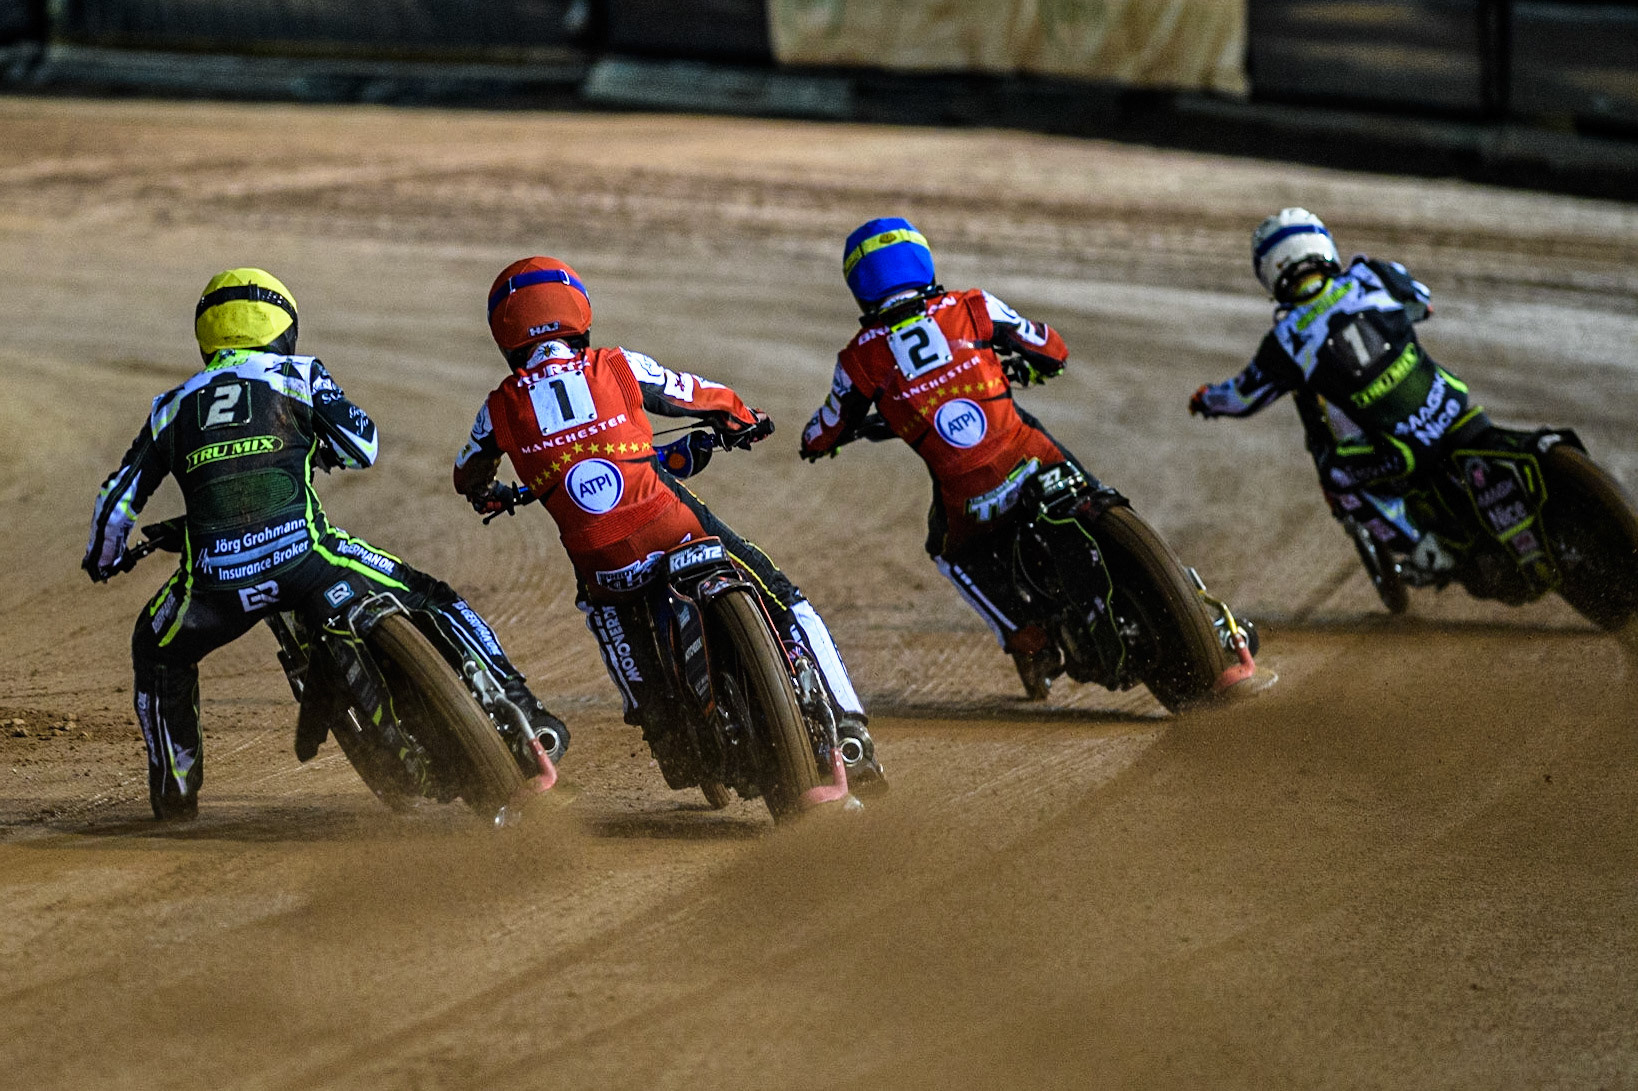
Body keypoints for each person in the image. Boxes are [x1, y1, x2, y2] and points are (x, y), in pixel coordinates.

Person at [83, 268, 567, 821]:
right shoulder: (299, 375)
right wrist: (318, 446)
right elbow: (363, 445)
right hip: (308, 561)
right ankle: (528, 716)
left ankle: (175, 796)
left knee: (156, 649)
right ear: (284, 329)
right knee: (434, 597)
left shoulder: (170, 405)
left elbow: (115, 503)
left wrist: (105, 558)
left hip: (213, 586)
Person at [451, 256, 883, 793]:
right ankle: (849, 728)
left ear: (505, 334)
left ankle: (662, 727)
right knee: (785, 597)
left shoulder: (496, 409)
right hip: (670, 527)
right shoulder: (617, 364)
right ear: (579, 313)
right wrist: (741, 418)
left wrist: (488, 494)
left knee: (603, 608)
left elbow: (467, 473)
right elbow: (699, 394)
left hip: (604, 564)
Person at [799, 217, 1106, 699]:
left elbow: (825, 429)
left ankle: (1026, 636)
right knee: (1092, 491)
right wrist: (1038, 365)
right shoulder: (973, 305)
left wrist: (813, 442)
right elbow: (1051, 348)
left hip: (969, 496)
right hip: (1031, 454)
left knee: (949, 552)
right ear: (922, 261)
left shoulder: (858, 360)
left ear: (859, 285)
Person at [1188, 208, 1484, 571]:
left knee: (1337, 478)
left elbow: (1240, 399)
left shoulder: (1286, 338)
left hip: (1402, 448)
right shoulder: (1371, 274)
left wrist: (1207, 400)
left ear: (1269, 270)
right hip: (1451, 399)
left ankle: (1426, 550)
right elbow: (1423, 303)